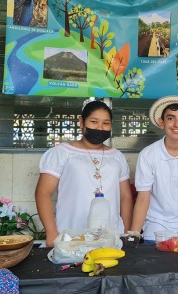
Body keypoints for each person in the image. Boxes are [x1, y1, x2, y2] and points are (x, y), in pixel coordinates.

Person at [35, 100, 133, 247]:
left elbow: (125, 197)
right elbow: (43, 193)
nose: (100, 128)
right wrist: (51, 233)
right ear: (81, 122)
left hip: (110, 238)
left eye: (106, 123)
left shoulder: (117, 156)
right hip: (70, 237)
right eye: (94, 121)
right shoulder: (62, 153)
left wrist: (124, 232)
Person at [131, 96, 178, 243]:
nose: (177, 124)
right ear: (161, 123)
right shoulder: (148, 154)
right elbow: (143, 198)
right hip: (154, 231)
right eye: (171, 118)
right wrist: (133, 235)